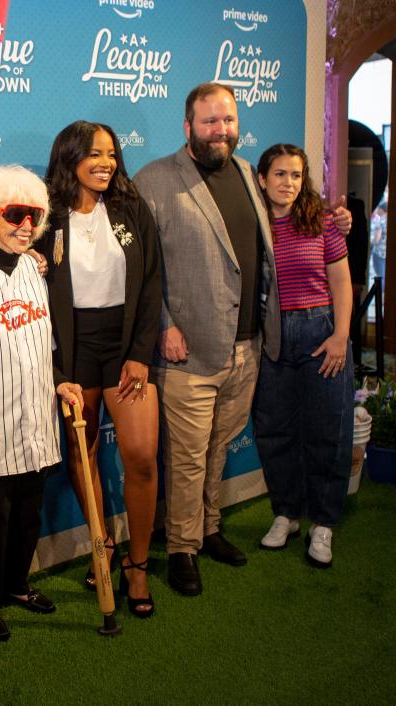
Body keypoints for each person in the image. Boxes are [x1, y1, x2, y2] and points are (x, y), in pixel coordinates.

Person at [134, 82, 352, 596]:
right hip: (187, 349)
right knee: (187, 456)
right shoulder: (156, 179)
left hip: (249, 347)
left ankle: (208, 529)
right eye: (210, 121)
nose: (221, 130)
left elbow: (290, 221)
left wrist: (337, 216)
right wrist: (164, 325)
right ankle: (183, 547)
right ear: (187, 126)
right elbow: (143, 269)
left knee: (215, 449)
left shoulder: (246, 172)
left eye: (228, 120)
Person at [41, 121, 162, 617]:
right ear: (70, 158)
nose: (105, 162)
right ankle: (103, 544)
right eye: (94, 153)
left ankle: (138, 563)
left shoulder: (131, 207)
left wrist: (140, 351)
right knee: (82, 451)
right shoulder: (48, 216)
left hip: (124, 346)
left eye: (111, 153)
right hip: (73, 350)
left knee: (140, 455)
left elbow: (153, 281)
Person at [0, 165, 83, 641]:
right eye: (15, 215)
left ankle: (16, 585)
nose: (27, 225)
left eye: (34, 215)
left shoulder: (34, 266)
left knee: (29, 513)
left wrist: (60, 382)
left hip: (37, 415)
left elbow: (42, 343)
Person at [253, 144, 353, 567]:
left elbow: (342, 283)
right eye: (279, 174)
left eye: (296, 175)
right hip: (272, 335)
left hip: (320, 332)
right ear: (262, 179)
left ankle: (324, 522)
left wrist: (341, 337)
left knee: (328, 429)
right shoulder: (253, 225)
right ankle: (286, 513)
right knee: (275, 430)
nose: (288, 183)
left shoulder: (322, 221)